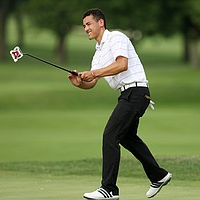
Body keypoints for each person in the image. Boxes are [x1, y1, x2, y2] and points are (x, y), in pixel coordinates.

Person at [68, 8, 172, 200]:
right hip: (129, 94)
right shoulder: (97, 54)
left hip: (136, 92)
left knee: (110, 135)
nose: (86, 29)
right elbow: (92, 82)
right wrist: (80, 83)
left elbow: (121, 64)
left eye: (89, 24)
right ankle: (158, 175)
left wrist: (94, 74)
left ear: (101, 23)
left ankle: (109, 189)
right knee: (126, 137)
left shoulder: (116, 37)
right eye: (83, 26)